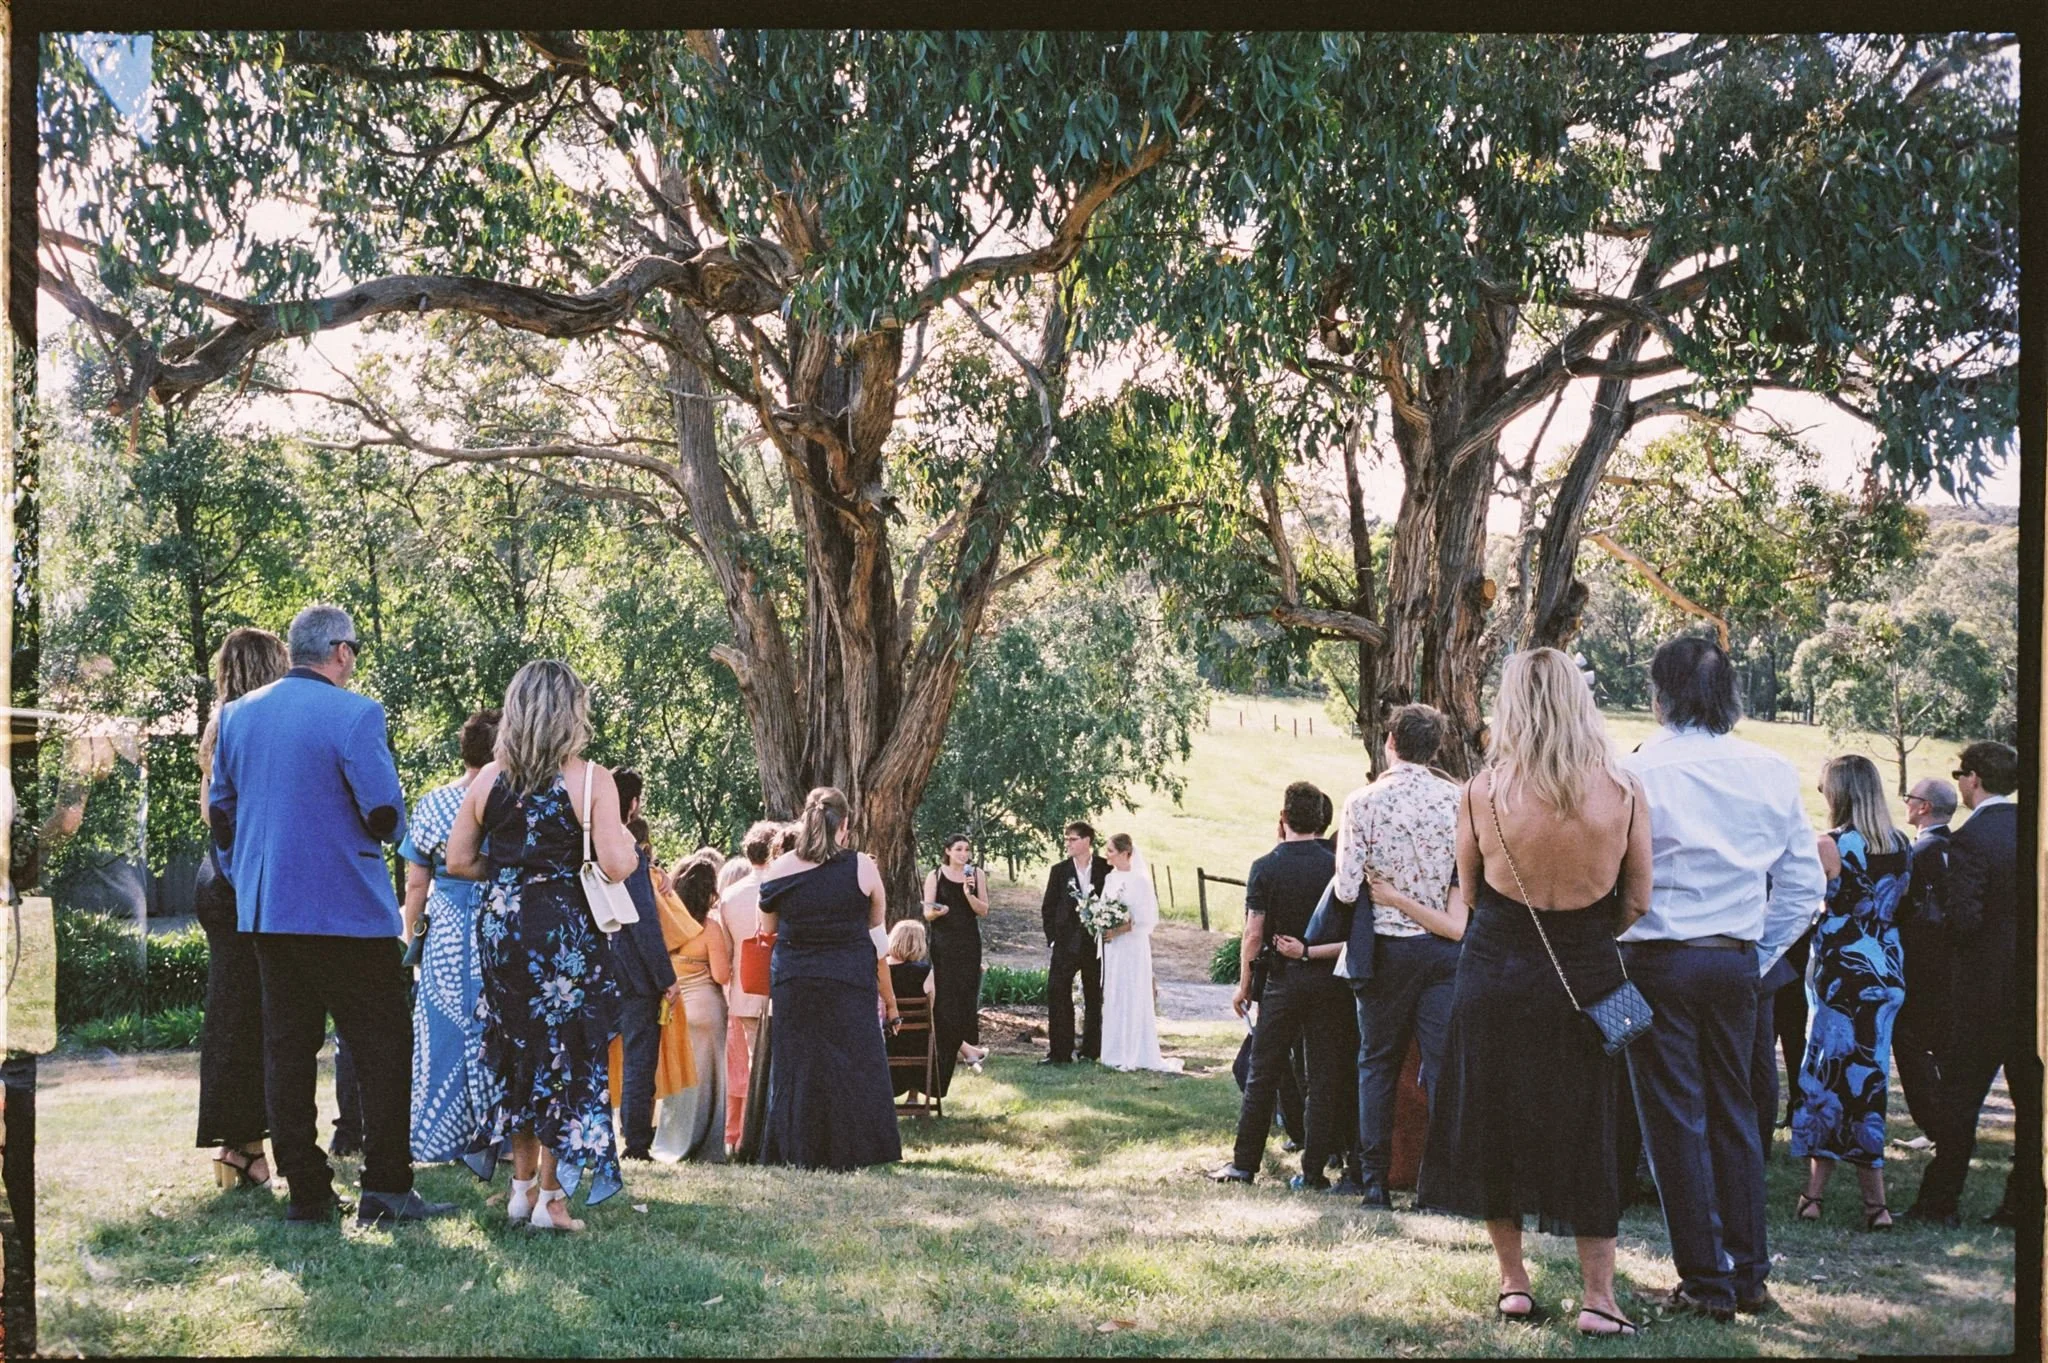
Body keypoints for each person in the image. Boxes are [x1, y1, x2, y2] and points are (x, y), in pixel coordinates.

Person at [1415, 648, 1653, 1338]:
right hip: (1586, 972)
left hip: (1495, 971)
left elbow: (1473, 889)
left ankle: (1514, 1283)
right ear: (1581, 700)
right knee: (1591, 1126)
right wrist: (1583, 931)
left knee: (1495, 1118)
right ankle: (1599, 1296)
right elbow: (1637, 897)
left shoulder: (1481, 793)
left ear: (1510, 706)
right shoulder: (1625, 790)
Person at [206, 604, 451, 1227]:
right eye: (355, 651)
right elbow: (386, 814)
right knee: (382, 1048)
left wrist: (246, 873)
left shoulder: (237, 716)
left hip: (266, 912)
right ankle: (387, 1186)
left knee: (286, 1050)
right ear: (340, 652)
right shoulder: (356, 714)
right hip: (346, 912)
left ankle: (308, 1191)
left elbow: (222, 813)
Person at [1617, 635, 1825, 1321]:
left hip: (1655, 958)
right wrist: (1757, 955)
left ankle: (1707, 1280)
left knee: (1676, 1118)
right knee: (1737, 1113)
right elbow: (1803, 883)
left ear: (1662, 694)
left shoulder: (1637, 767)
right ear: (1729, 694)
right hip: (1735, 959)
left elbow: (1612, 874)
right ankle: (1749, 1274)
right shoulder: (1769, 768)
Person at [445, 659, 633, 1232]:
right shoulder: (591, 779)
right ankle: (553, 1199)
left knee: (518, 1051)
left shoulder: (488, 779)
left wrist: (509, 878)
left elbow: (457, 860)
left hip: (503, 931)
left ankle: (520, 1190)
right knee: (568, 1057)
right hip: (565, 933)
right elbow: (619, 864)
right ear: (569, 713)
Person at [1331, 702, 1465, 1209]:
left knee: (1377, 1064)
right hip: (1440, 949)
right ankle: (1438, 1186)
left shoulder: (1362, 802)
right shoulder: (1457, 801)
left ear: (1389, 742)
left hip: (1385, 948)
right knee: (1443, 1066)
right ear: (1435, 749)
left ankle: (1374, 1184)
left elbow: (1346, 889)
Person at [1908, 741, 2035, 1229]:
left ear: (1975, 778)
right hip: (2031, 994)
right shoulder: (2033, 827)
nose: (1959, 783)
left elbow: (1962, 921)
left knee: (1960, 1101)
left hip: (1982, 991)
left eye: (1961, 773)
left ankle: (1940, 1201)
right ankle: (2022, 1202)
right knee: (2031, 1106)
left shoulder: (1970, 840)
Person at [1790, 755, 1911, 1229]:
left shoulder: (1831, 844)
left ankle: (1815, 1196)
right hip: (1886, 967)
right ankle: (1874, 1205)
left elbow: (1807, 902)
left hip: (1843, 971)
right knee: (1870, 1080)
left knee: (1824, 1077)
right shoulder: (1901, 844)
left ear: (1838, 793)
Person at [756, 787, 903, 1170]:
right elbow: (876, 924)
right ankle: (854, 1150)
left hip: (796, 978)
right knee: (851, 1063)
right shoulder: (862, 867)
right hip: (848, 977)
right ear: (846, 825)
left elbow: (767, 927)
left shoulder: (780, 868)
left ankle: (796, 1149)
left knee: (798, 1065)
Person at [1211, 782, 1346, 1187]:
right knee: (1323, 1076)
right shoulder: (1336, 865)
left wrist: (1245, 985)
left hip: (1283, 983)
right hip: (1328, 980)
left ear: (1283, 818)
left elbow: (1254, 933)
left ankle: (1244, 1164)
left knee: (1263, 1072)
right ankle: (1315, 1170)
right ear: (1322, 820)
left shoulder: (1265, 866)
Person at [193, 626, 290, 1191]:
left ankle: (241, 1148)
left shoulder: (221, 725)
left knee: (233, 1015)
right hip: (240, 884)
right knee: (257, 1018)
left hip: (217, 880)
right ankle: (245, 1148)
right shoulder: (253, 728)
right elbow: (222, 815)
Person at [396, 708, 503, 1167]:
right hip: (497, 923)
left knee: (441, 1030)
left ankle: (438, 1137)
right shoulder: (507, 802)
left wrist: (410, 936)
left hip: (444, 928)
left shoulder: (433, 802)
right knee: (495, 1027)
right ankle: (498, 1139)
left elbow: (416, 882)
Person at [604, 769, 685, 1162]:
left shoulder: (586, 845)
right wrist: (666, 977)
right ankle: (636, 1142)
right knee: (639, 1059)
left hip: (593, 965)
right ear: (633, 804)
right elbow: (642, 920)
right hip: (633, 973)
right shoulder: (627, 850)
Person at [651, 848, 731, 1163]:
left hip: (673, 1008)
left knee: (677, 1080)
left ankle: (672, 1140)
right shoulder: (710, 928)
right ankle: (707, 1145)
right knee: (709, 1081)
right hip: (707, 1009)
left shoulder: (665, 922)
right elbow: (721, 974)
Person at [1893, 777, 1956, 1138]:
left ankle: (1935, 1126)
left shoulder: (1917, 855)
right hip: (1952, 966)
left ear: (1924, 807)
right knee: (1946, 1048)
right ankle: (1953, 1124)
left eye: (1909, 797)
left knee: (1912, 1046)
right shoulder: (1959, 847)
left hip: (1918, 964)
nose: (1906, 803)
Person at [1097, 834, 1182, 1074]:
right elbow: (1104, 907)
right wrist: (1102, 922)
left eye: (1111, 851)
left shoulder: (1141, 881)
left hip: (1132, 946)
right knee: (1115, 992)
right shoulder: (1110, 878)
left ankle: (1135, 1050)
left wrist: (1118, 929)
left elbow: (1146, 920)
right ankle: (1114, 1051)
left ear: (1125, 853)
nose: (1107, 855)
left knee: (1132, 991)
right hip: (1113, 947)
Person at [720, 822, 778, 1152]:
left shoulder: (729, 895)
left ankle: (749, 1136)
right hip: (778, 987)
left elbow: (728, 953)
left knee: (755, 1064)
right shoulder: (782, 886)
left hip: (744, 990)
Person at [922, 835, 990, 1093]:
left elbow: (983, 910)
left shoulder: (977, 875)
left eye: (967, 849)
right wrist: (937, 912)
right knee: (945, 998)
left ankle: (964, 1046)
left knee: (964, 996)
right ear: (948, 851)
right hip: (944, 943)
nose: (964, 853)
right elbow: (927, 912)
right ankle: (962, 1049)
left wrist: (968, 895)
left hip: (968, 942)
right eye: (958, 849)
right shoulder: (936, 876)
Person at [1040, 821, 1109, 1065]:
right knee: (1058, 992)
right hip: (1065, 944)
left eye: (1073, 839)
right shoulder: (1059, 871)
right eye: (1066, 839)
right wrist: (1053, 939)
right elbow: (1048, 907)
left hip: (1095, 944)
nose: (1068, 843)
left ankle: (1092, 1051)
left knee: (1094, 996)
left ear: (1087, 841)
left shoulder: (1105, 868)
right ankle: (1059, 1052)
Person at [883, 919, 941, 1096]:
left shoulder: (880, 970)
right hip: (917, 1042)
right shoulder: (925, 971)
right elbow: (931, 1006)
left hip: (886, 1037)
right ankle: (913, 1096)